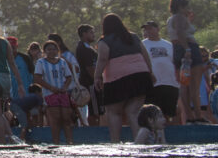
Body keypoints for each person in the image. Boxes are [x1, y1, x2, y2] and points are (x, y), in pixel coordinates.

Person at [95, 13, 154, 143]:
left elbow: (103, 58)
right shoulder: (133, 36)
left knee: (114, 111)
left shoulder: (104, 41)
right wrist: (150, 72)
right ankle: (140, 142)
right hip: (141, 75)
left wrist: (97, 76)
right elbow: (145, 55)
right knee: (133, 111)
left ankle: (115, 142)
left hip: (118, 78)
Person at [168, 0, 207, 123]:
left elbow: (179, 31)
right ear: (180, 7)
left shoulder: (172, 19)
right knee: (194, 85)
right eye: (186, 7)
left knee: (185, 84)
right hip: (188, 49)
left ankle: (190, 116)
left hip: (178, 50)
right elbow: (180, 32)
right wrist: (188, 50)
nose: (187, 10)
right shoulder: (179, 17)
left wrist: (189, 20)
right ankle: (197, 115)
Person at [35, 40, 74, 144]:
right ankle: (56, 142)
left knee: (66, 118)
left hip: (62, 92)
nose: (51, 51)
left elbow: (69, 77)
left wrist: (65, 87)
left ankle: (69, 141)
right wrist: (51, 88)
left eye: (54, 49)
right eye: (49, 49)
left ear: (57, 50)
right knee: (55, 119)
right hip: (50, 93)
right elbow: (38, 78)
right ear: (45, 51)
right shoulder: (41, 62)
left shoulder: (62, 62)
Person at [141, 20, 180, 123]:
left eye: (150, 28)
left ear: (158, 29)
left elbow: (175, 62)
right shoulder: (142, 44)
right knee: (154, 113)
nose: (148, 31)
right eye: (146, 29)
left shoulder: (168, 44)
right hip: (153, 84)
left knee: (170, 112)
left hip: (170, 82)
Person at [75, 24, 101, 126]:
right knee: (94, 111)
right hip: (90, 83)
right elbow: (89, 68)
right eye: (91, 32)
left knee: (97, 110)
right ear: (84, 34)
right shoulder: (82, 48)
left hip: (93, 83)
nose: (93, 35)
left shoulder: (89, 48)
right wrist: (97, 80)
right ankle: (94, 131)